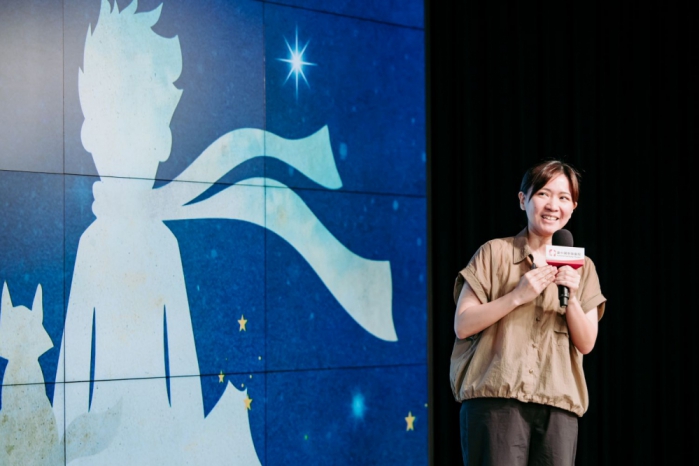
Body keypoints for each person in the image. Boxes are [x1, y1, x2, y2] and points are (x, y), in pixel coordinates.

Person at [450, 160, 606, 466]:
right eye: (543, 194)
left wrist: (571, 298)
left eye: (563, 197)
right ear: (523, 200)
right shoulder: (494, 252)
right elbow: (463, 324)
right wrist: (517, 296)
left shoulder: (583, 268)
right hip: (496, 403)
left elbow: (587, 343)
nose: (553, 205)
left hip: (558, 408)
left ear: (573, 207)